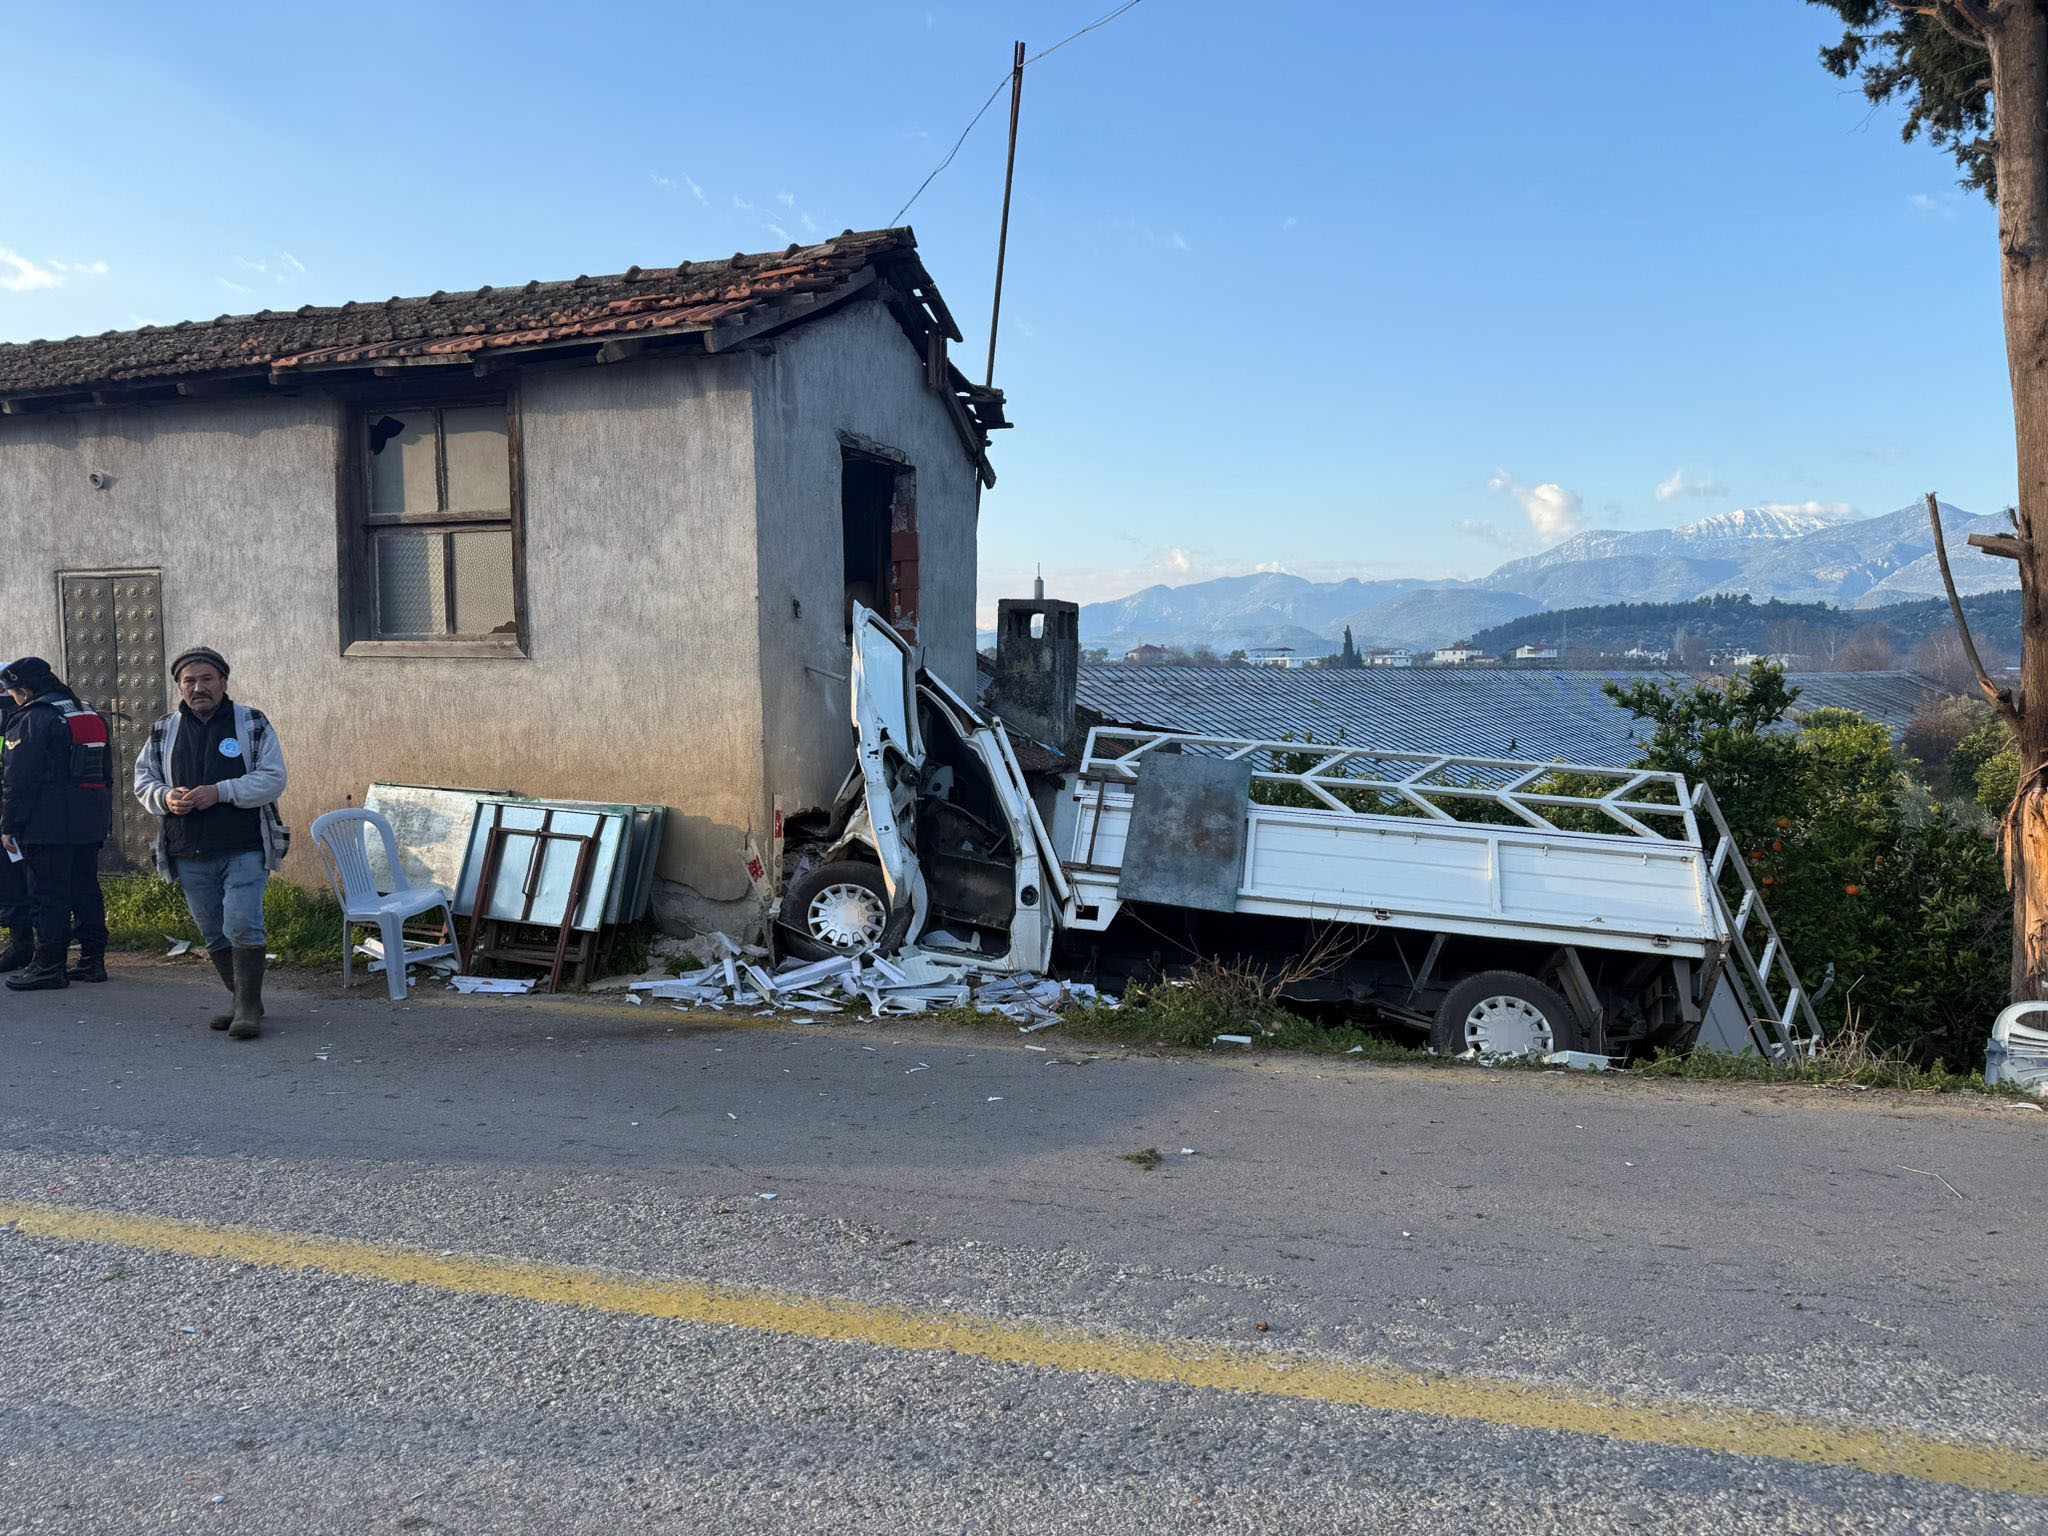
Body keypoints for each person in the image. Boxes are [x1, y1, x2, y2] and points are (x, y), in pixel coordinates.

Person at [132, 647, 289, 1039]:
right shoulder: (164, 729)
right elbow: (142, 781)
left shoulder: (251, 722)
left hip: (244, 844)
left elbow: (273, 778)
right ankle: (242, 999)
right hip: (187, 848)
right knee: (214, 930)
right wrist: (166, 798)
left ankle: (249, 1009)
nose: (198, 687)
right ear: (179, 687)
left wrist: (219, 792)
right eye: (189, 681)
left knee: (242, 923)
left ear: (223, 682)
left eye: (207, 679)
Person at [0, 657, 111, 991]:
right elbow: (105, 769)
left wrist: (10, 825)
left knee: (48, 893)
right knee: (85, 887)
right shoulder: (86, 710)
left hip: (48, 821)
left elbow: (19, 778)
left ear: (24, 689)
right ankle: (93, 960)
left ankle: (49, 965)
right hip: (89, 818)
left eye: (13, 693)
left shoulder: (35, 716)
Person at [0, 694, 34, 972]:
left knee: (13, 880)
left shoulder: (12, 714)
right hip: (13, 810)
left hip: (11, 813)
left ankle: (23, 945)